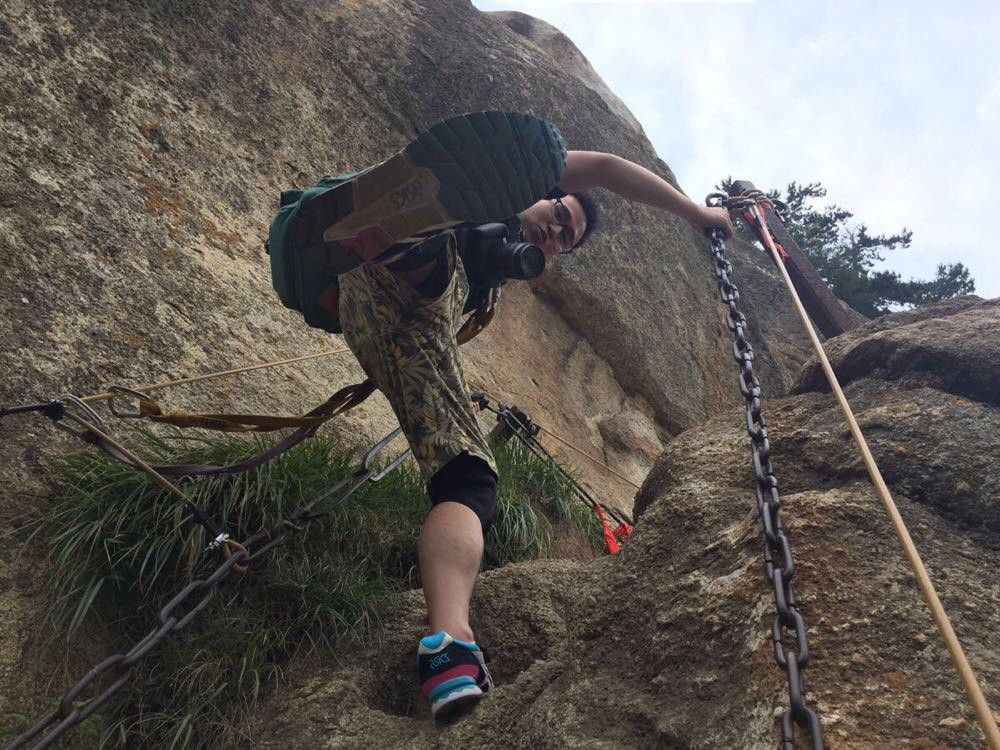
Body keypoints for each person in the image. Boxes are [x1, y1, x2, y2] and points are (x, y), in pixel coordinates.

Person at [274, 111, 733, 719]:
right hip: (387, 272)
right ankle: (399, 233)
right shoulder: (500, 205)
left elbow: (425, 327)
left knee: (470, 476)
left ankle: (449, 649)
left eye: (566, 239)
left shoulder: (488, 283)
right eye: (559, 216)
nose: (557, 233)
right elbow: (606, 169)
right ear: (537, 195)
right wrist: (699, 217)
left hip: (377, 312)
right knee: (447, 237)